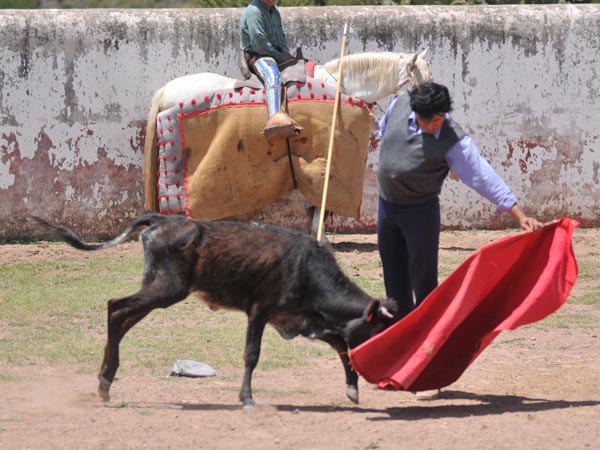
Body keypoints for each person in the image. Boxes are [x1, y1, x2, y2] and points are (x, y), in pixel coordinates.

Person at [377, 82, 542, 400]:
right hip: (387, 208)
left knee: (424, 286)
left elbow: (481, 175)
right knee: (394, 286)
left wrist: (518, 215)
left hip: (420, 214)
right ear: (416, 113)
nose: (434, 125)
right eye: (428, 120)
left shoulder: (453, 138)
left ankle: (429, 370)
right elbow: (387, 137)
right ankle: (402, 363)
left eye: (439, 119)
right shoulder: (398, 107)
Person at [240, 0, 301, 140]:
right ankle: (275, 121)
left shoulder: (275, 10)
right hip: (258, 55)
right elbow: (258, 42)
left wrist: (285, 51)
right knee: (272, 75)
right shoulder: (254, 12)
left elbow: (281, 36)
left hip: (275, 54)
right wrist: (279, 56)